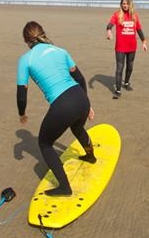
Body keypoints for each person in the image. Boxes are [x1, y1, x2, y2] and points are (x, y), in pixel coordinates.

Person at [17, 21, 96, 197]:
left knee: (44, 144)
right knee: (77, 127)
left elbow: (22, 93)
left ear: (26, 40)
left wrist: (22, 113)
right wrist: (87, 103)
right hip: (80, 96)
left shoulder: (25, 60)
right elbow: (80, 78)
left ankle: (64, 188)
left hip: (63, 104)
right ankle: (90, 156)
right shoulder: (61, 51)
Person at [106, 0, 148, 99]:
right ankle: (118, 90)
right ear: (121, 5)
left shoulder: (134, 16)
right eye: (123, 4)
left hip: (132, 46)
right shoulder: (117, 15)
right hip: (120, 47)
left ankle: (126, 83)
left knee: (130, 67)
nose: (125, 5)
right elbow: (110, 24)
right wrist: (109, 30)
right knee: (119, 68)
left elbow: (139, 29)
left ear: (130, 4)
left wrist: (144, 42)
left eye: (127, 4)